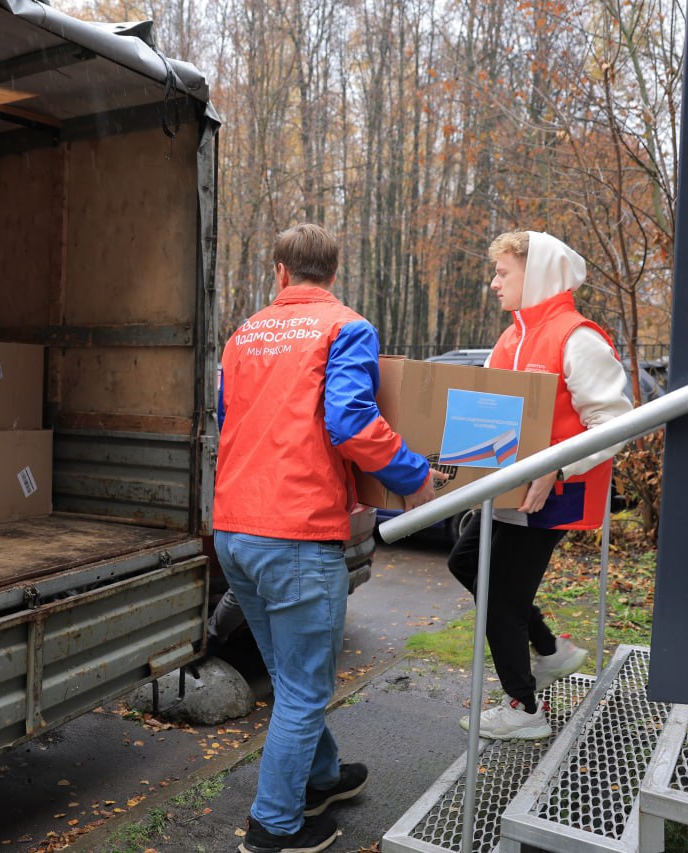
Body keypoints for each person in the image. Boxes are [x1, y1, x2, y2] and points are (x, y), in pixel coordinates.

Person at [215, 224, 444, 853]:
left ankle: (319, 779)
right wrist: (414, 475)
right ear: (331, 274)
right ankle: (274, 829)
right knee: (304, 686)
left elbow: (226, 421)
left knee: (289, 674)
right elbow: (350, 422)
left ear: (281, 273)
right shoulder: (346, 326)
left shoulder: (242, 336)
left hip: (235, 530)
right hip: (297, 532)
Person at [448, 230, 631, 740]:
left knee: (502, 601)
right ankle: (552, 650)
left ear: (538, 273)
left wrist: (559, 466)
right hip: (508, 493)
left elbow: (616, 422)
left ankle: (524, 710)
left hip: (551, 497)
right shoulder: (510, 338)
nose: (493, 283)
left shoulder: (578, 337)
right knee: (465, 562)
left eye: (503, 272)